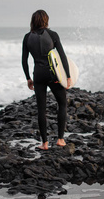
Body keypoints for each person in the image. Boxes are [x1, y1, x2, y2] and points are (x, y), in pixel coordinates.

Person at [22, 10, 72, 150]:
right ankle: (60, 139)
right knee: (62, 103)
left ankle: (44, 143)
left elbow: (24, 60)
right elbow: (62, 56)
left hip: (38, 75)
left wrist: (28, 78)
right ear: (46, 20)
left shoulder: (27, 37)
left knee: (41, 109)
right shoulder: (52, 35)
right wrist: (67, 76)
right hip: (52, 74)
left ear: (33, 21)